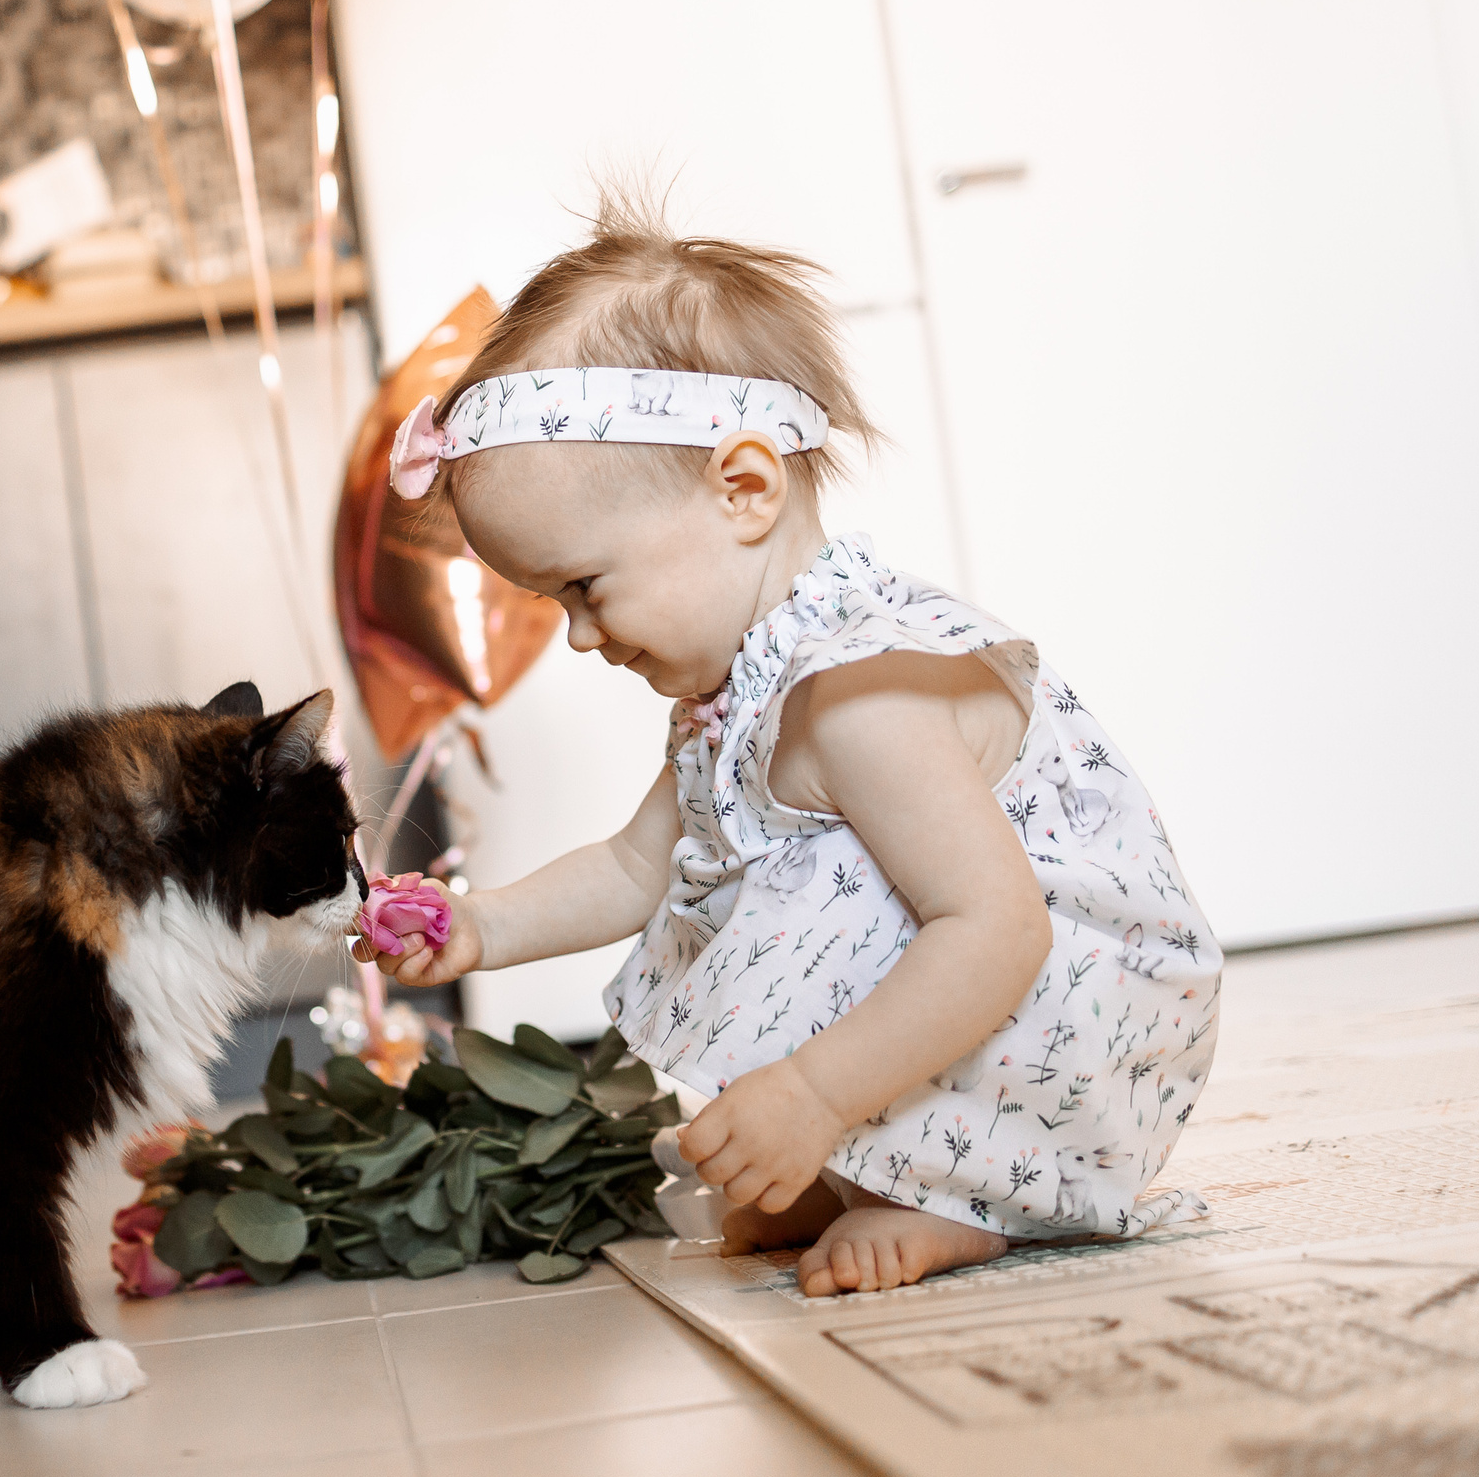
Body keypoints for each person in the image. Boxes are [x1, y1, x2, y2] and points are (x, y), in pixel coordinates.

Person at [357, 196, 1220, 1295]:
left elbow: (999, 932)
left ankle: (969, 1202)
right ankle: (872, 1166)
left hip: (1075, 1017)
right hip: (994, 986)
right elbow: (638, 865)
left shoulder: (856, 692)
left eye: (583, 586)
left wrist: (813, 1094)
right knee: (766, 885)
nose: (577, 636)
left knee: (852, 893)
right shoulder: (732, 694)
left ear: (745, 491)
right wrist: (480, 926)